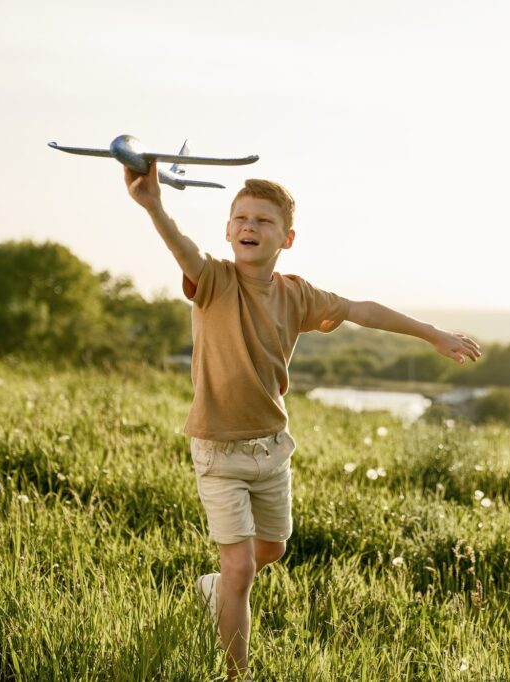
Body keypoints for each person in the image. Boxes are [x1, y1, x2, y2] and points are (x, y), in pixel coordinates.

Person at [124, 163, 481, 680]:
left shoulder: (297, 294)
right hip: (218, 450)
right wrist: (154, 204)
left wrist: (432, 334)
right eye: (241, 218)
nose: (250, 226)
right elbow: (184, 250)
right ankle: (235, 673)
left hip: (271, 448)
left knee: (272, 548)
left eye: (264, 221)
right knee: (241, 567)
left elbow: (365, 311)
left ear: (286, 238)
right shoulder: (214, 281)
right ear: (227, 231)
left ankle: (215, 589)